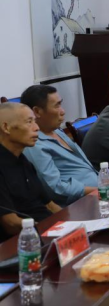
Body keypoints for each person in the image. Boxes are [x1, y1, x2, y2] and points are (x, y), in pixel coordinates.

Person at [20, 85, 99, 206]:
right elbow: (55, 188)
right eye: (57, 106)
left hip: (98, 194)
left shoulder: (56, 131)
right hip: (78, 205)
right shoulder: (34, 145)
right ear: (37, 112)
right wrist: (98, 190)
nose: (63, 111)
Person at [0, 103, 61, 240]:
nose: (37, 128)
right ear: (6, 127)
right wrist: (49, 229)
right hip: (26, 240)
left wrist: (73, 223)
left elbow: (50, 205)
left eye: (35, 121)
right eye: (29, 122)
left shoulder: (23, 160)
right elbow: (10, 223)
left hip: (49, 229)